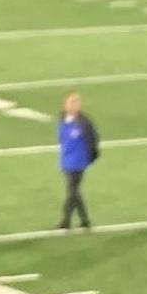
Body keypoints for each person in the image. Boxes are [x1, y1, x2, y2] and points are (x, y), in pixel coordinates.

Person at [56, 93, 98, 230]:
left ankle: (65, 221)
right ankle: (85, 220)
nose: (72, 105)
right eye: (70, 103)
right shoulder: (63, 119)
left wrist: (90, 157)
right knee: (75, 192)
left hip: (78, 162)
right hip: (66, 160)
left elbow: (93, 140)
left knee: (72, 191)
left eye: (75, 103)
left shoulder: (84, 123)